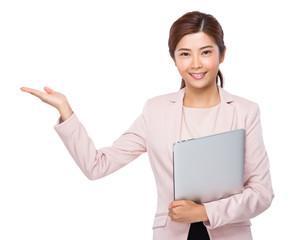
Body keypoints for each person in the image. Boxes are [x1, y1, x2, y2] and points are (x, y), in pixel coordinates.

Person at [20, 11, 274, 240]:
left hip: (229, 233)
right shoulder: (156, 110)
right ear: (174, 59)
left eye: (206, 52)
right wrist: (66, 110)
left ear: (222, 54)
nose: (196, 63)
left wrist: (204, 211)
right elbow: (97, 166)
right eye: (185, 53)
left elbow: (262, 193)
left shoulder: (244, 111)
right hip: (172, 234)